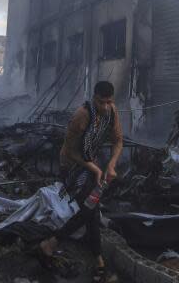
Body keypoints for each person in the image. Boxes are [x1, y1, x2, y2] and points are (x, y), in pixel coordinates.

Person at [38, 81, 123, 283]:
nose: (105, 106)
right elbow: (70, 151)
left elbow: (118, 140)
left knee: (91, 211)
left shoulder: (112, 111)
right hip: (72, 166)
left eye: (109, 102)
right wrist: (94, 168)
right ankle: (53, 243)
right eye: (101, 102)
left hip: (93, 163)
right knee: (89, 209)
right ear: (94, 98)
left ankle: (98, 264)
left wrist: (111, 165)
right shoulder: (82, 115)